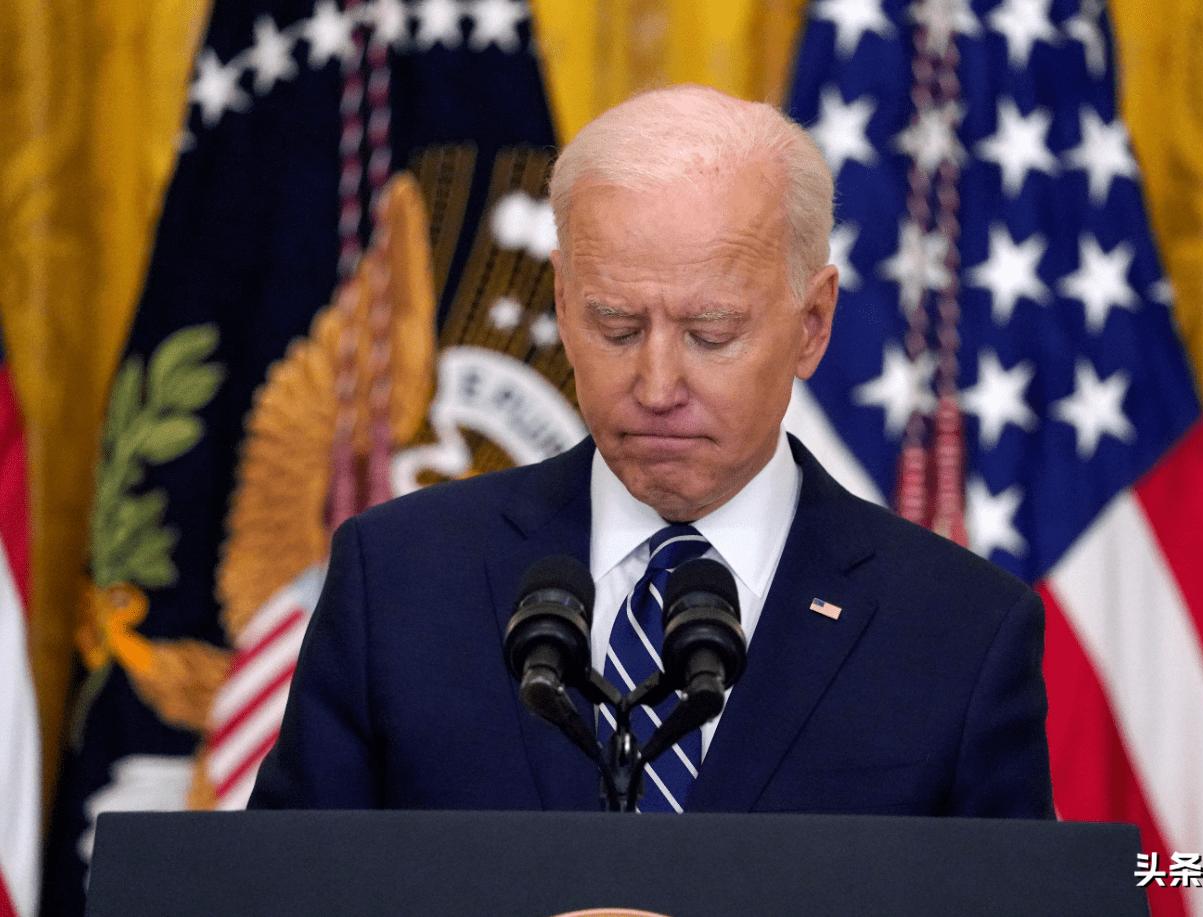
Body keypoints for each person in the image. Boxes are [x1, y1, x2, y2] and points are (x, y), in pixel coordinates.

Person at [249, 85, 1053, 817]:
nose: (658, 384)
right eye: (616, 327)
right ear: (563, 304)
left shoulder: (959, 631)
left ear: (812, 324)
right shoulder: (398, 579)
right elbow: (284, 893)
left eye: (711, 333)